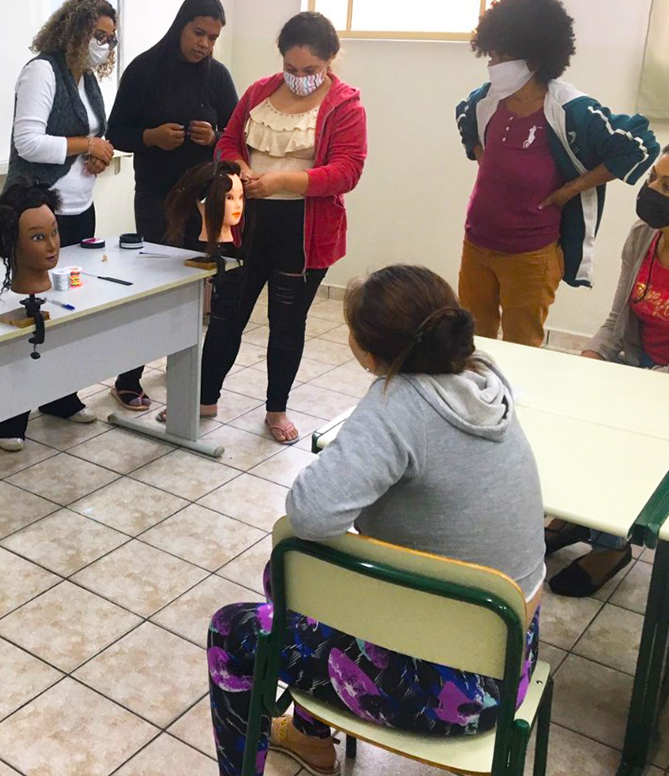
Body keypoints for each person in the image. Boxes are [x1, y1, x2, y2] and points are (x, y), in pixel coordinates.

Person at [207, 266, 545, 776]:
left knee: (235, 628)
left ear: (367, 351)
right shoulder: (484, 380)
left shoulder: (395, 406)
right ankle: (309, 738)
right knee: (290, 579)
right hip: (512, 653)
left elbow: (308, 513)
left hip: (448, 692)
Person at [545, 126, 669, 597]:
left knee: (621, 438)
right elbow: (615, 323)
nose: (651, 189)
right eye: (654, 177)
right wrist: (588, 362)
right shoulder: (644, 236)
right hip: (646, 370)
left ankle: (611, 545)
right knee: (579, 414)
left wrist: (620, 396)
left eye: (668, 186)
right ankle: (576, 517)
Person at [197, 11, 367, 444]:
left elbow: (346, 171)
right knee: (226, 316)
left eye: (310, 70)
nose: (299, 78)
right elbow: (228, 140)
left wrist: (281, 182)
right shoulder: (259, 92)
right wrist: (239, 167)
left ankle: (276, 410)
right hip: (246, 223)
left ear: (330, 60)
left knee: (287, 324)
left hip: (304, 232)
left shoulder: (345, 105)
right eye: (291, 68)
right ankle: (203, 399)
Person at [455, 0, 659, 347]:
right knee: (470, 339)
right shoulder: (485, 101)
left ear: (533, 62)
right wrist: (484, 159)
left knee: (521, 346)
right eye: (491, 54)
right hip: (477, 243)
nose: (491, 64)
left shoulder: (571, 111)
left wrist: (571, 190)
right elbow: (464, 118)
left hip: (530, 254)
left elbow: (639, 145)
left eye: (501, 57)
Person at [0, 0, 117, 451]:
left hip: (79, 210)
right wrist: (86, 145)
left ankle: (59, 397)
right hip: (35, 215)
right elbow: (29, 141)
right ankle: (5, 418)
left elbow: (92, 136)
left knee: (67, 311)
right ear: (74, 29)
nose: (104, 45)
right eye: (98, 34)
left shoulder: (87, 80)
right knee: (26, 316)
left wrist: (98, 154)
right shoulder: (42, 71)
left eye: (110, 38)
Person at [107, 0, 239, 410]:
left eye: (213, 38)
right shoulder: (144, 70)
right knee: (155, 286)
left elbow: (238, 136)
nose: (205, 44)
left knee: (195, 286)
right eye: (198, 33)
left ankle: (181, 361)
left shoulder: (217, 77)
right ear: (181, 25)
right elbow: (116, 132)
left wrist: (214, 137)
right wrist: (151, 137)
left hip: (204, 199)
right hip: (157, 197)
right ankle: (128, 377)